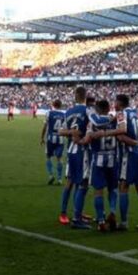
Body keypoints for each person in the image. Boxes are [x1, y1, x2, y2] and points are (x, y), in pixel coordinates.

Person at [89, 94, 138, 231]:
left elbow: (121, 135)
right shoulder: (135, 113)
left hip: (128, 154)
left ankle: (122, 222)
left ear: (119, 103)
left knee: (122, 187)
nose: (114, 104)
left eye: (115, 102)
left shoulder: (121, 114)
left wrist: (103, 133)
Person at [78, 99, 119, 232]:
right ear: (108, 108)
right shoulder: (115, 120)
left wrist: (78, 141)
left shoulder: (93, 122)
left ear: (98, 109)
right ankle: (112, 211)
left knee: (98, 191)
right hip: (113, 158)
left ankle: (101, 220)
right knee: (113, 189)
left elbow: (87, 139)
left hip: (98, 160)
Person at [57, 86, 91, 229]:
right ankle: (76, 216)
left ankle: (66, 213)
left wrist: (71, 132)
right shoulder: (88, 111)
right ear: (85, 96)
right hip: (83, 150)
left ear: (76, 96)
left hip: (71, 150)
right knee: (81, 183)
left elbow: (60, 131)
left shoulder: (69, 111)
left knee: (71, 182)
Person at [39, 99, 65, 185]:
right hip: (60, 138)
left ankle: (50, 175)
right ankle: (60, 179)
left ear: (53, 104)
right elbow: (65, 128)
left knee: (48, 156)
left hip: (50, 138)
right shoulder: (64, 115)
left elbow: (45, 126)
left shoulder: (49, 113)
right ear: (61, 105)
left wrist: (42, 138)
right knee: (59, 158)